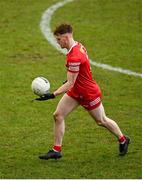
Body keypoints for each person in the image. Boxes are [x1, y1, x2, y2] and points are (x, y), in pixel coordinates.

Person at [36, 24, 130, 160]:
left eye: (59, 39)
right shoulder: (78, 46)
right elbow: (74, 78)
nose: (57, 42)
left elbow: (70, 83)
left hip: (88, 93)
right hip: (76, 90)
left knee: (101, 120)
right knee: (58, 115)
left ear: (66, 37)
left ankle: (123, 139)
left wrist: (53, 94)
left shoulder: (74, 56)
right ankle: (56, 150)